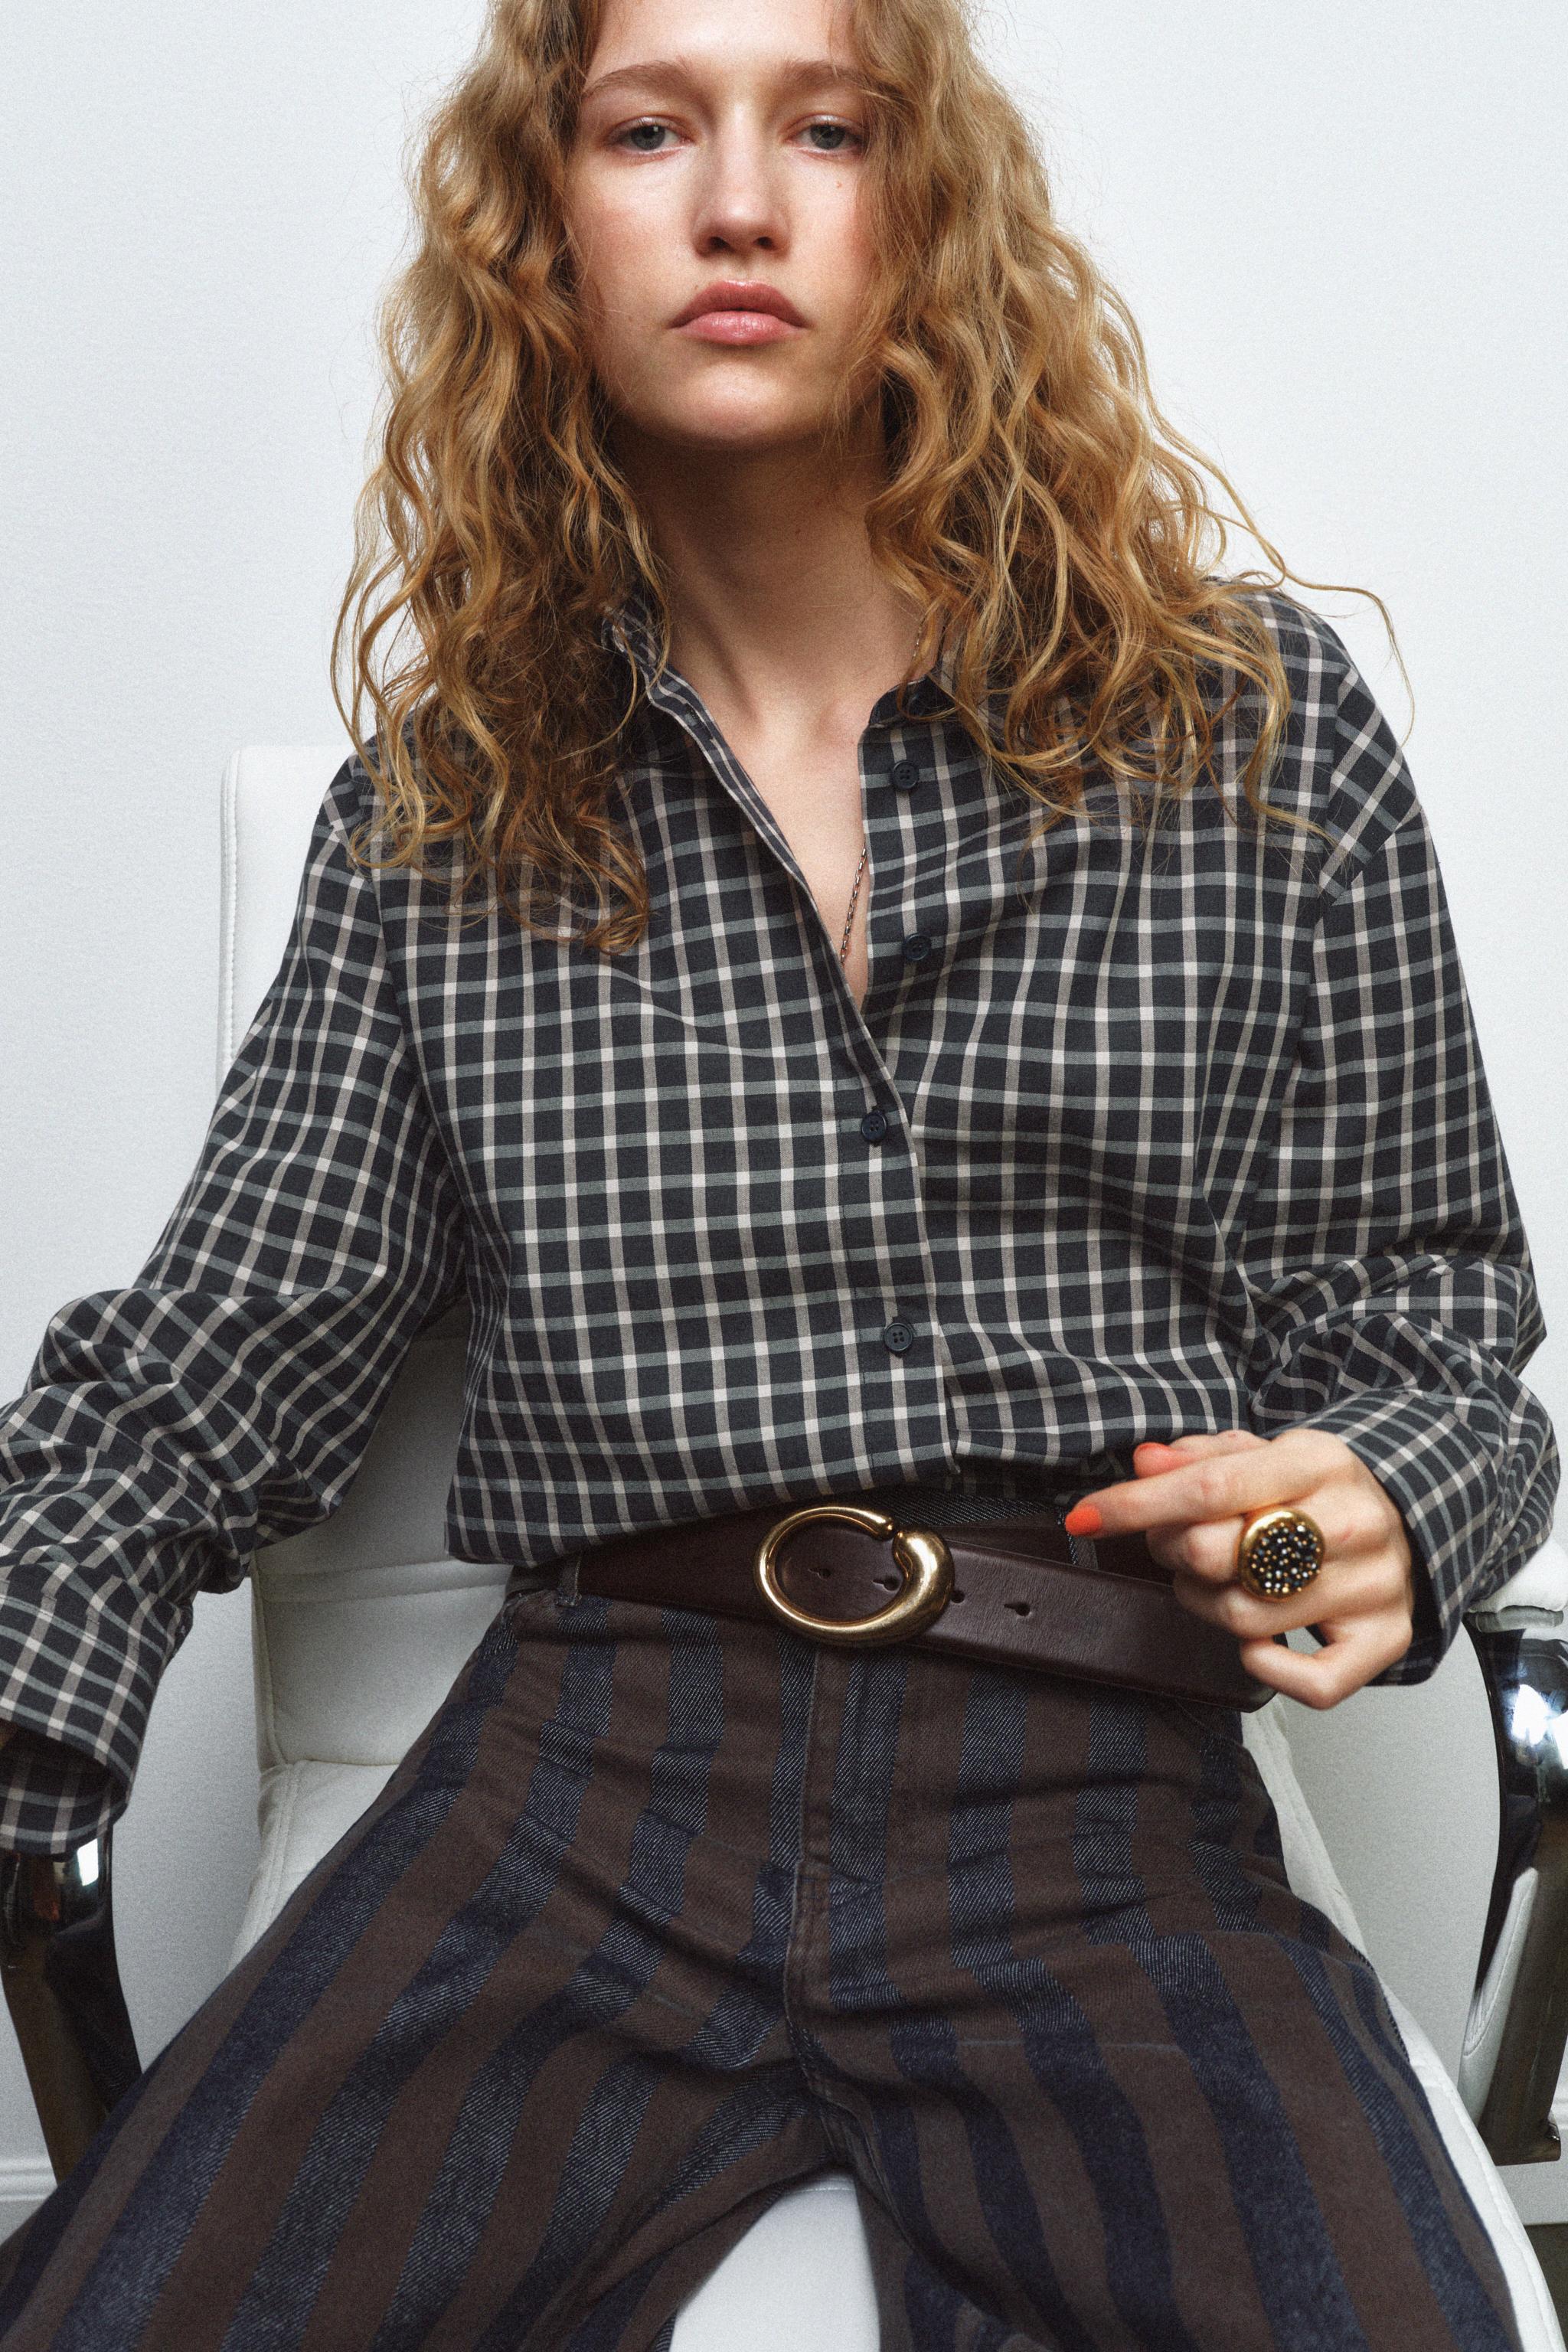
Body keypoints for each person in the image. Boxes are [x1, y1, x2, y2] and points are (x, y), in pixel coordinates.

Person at [0, 0, 1557, 2342]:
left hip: (1097, 1785)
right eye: (651, 130)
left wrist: (1370, 1506)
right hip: (587, 1786)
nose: (740, 203)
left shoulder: (1251, 730)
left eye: (827, 128)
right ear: (546, 231)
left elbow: (1434, 1337)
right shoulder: (445, 817)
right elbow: (200, 1376)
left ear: (929, 212)